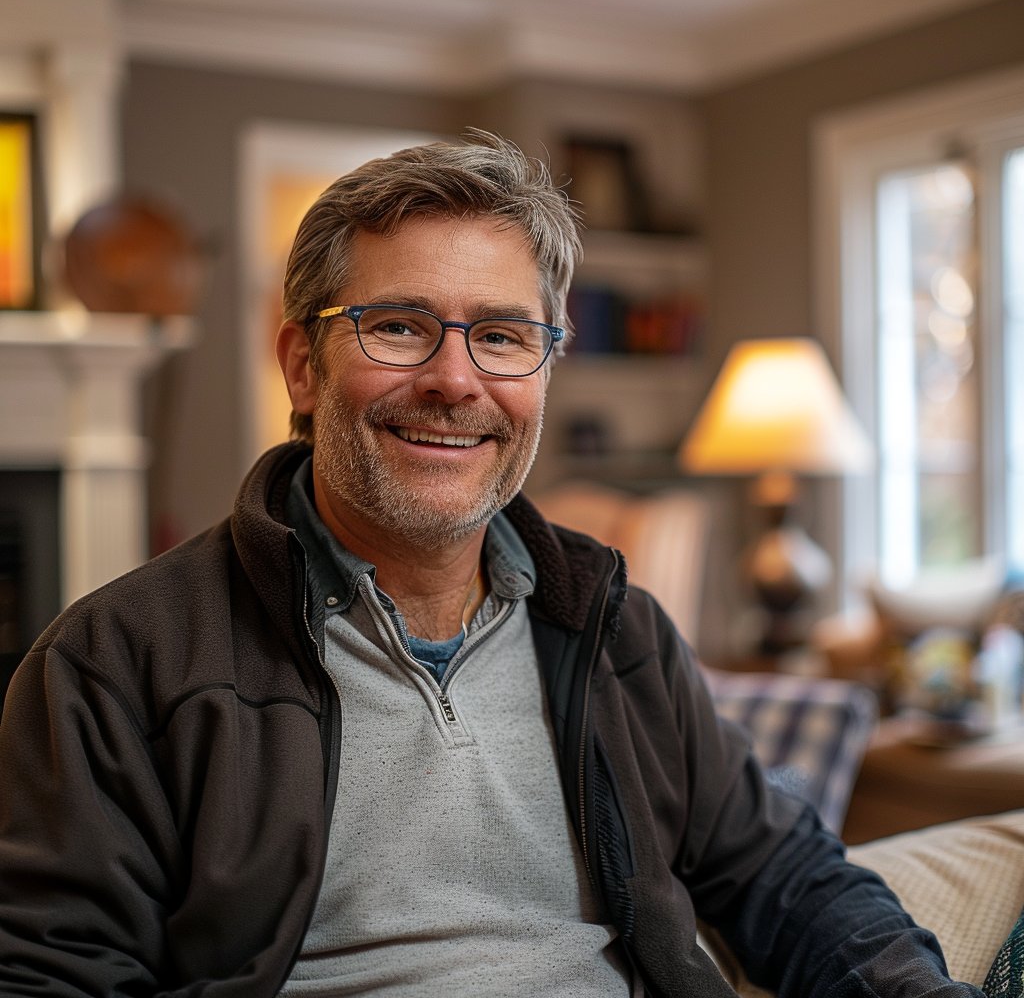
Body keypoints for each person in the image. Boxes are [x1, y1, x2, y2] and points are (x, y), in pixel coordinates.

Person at [0, 129, 983, 998]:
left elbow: (785, 874)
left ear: (544, 370)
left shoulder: (611, 626)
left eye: (504, 336)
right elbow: (52, 973)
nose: (454, 379)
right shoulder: (118, 662)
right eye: (398, 325)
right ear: (302, 364)